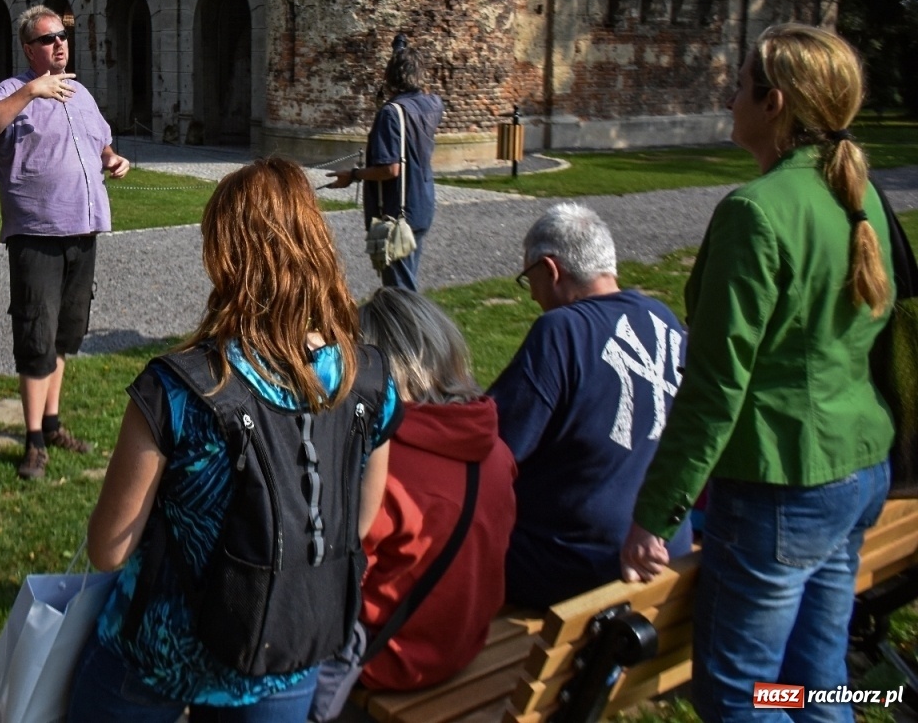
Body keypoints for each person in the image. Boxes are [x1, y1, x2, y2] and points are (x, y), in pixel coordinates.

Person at [621, 24, 895, 723]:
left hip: (784, 484)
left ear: (773, 103)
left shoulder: (756, 213)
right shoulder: (856, 199)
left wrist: (657, 515)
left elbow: (715, 385)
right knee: (812, 679)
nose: (730, 96)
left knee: (741, 694)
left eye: (740, 84)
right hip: (856, 466)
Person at [70, 157, 398, 723]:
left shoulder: (179, 388)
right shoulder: (367, 377)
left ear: (225, 258)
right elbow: (362, 518)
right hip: (285, 639)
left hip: (163, 645)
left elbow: (109, 548)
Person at [487, 203, 692, 608]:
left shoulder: (562, 331)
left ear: (551, 269)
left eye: (528, 278)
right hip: (662, 549)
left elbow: (494, 447)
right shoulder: (664, 318)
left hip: (576, 563)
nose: (531, 294)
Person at [0, 5, 131, 479]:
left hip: (83, 229)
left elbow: (99, 143)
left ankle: (54, 423)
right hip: (36, 232)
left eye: (63, 35)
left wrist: (114, 158)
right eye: (48, 39)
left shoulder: (81, 93)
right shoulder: (10, 91)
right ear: (29, 49)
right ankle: (33, 441)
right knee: (36, 335)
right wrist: (30, 91)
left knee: (64, 333)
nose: (59, 43)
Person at [354, 288, 517, 692]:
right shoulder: (496, 450)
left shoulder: (384, 468)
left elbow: (335, 581)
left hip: (388, 661)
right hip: (461, 642)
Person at [324, 34, 443, 290]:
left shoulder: (391, 113)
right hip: (421, 205)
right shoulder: (433, 105)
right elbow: (423, 92)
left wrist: (354, 175)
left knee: (400, 291)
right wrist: (405, 61)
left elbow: (390, 169)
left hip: (397, 212)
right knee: (405, 281)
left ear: (390, 77)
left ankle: (412, 330)